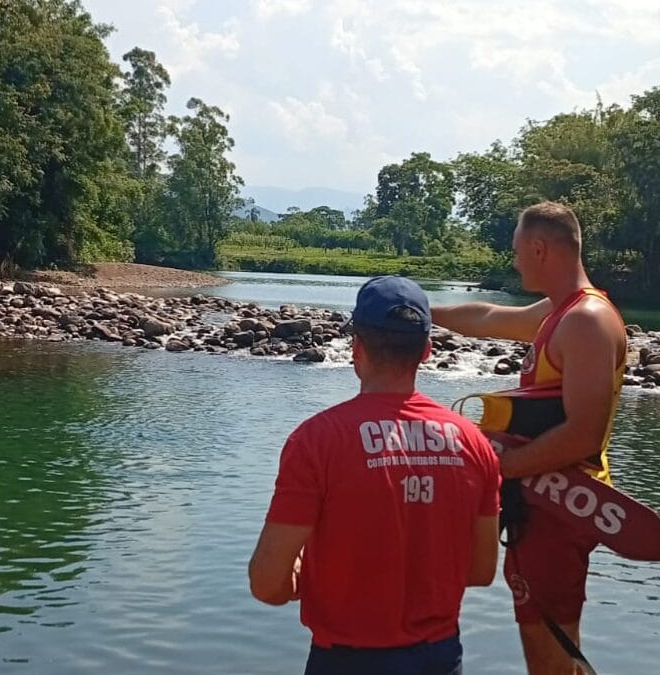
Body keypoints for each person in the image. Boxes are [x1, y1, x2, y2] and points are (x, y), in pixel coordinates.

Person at [248, 275, 502, 675]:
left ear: (357, 348)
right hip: (439, 658)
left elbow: (267, 583)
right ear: (427, 350)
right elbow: (481, 570)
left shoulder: (317, 440)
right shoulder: (473, 442)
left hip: (346, 661)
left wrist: (299, 580)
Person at [431, 202, 627, 675]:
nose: (515, 260)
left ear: (539, 249)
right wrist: (424, 311)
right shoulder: (559, 312)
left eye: (518, 250)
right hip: (541, 502)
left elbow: (583, 435)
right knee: (548, 646)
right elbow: (487, 318)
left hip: (563, 504)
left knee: (550, 654)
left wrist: (495, 470)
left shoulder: (586, 321)